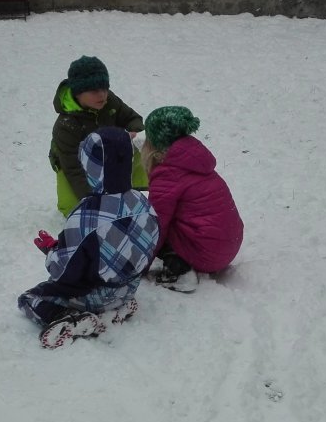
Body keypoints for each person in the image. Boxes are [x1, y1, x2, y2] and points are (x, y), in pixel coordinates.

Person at [19, 127, 160, 348]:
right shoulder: (143, 203)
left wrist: (52, 252)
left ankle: (66, 317)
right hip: (128, 288)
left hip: (94, 294)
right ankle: (119, 308)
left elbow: (63, 271)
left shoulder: (87, 215)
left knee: (30, 298)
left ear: (92, 167)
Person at [140, 106, 243, 293]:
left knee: (154, 220)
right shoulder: (193, 160)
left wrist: (140, 265)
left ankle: (179, 272)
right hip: (229, 246)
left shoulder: (168, 174)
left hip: (207, 254)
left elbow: (156, 225)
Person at [48, 55, 149, 217]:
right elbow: (73, 168)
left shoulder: (109, 101)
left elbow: (132, 118)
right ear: (78, 93)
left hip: (108, 150)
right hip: (72, 161)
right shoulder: (66, 125)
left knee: (137, 146)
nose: (102, 95)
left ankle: (139, 193)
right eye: (94, 90)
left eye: (105, 88)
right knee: (73, 207)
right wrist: (94, 203)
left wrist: (133, 134)